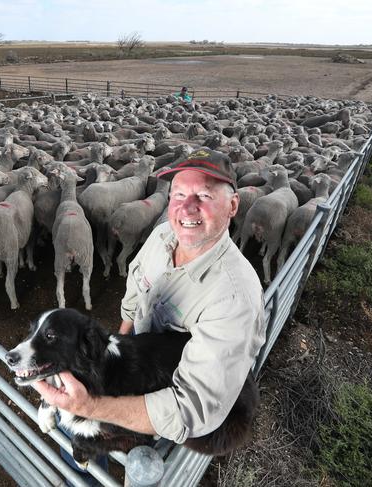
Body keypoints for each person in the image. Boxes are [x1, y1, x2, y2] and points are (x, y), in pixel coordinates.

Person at [32, 149, 266, 457]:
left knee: (113, 446)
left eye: (204, 196)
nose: (187, 207)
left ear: (233, 205)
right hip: (142, 360)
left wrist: (91, 406)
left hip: (173, 394)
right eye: (179, 194)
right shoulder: (164, 235)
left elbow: (188, 409)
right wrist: (115, 356)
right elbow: (134, 291)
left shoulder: (234, 298)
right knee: (77, 420)